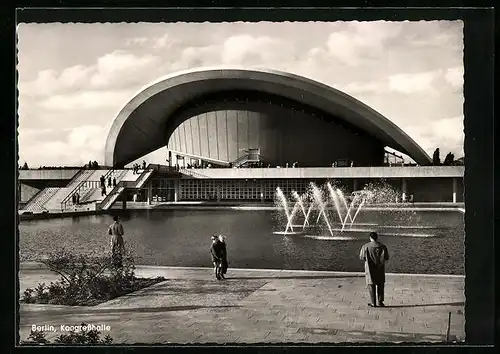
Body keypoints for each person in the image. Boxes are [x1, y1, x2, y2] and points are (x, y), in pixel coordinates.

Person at [359, 232, 389, 307]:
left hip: (369, 268)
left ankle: (373, 302)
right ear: (377, 237)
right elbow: (386, 257)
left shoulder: (365, 246)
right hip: (380, 268)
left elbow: (362, 257)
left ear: (370, 238)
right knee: (380, 284)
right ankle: (380, 301)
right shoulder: (383, 246)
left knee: (371, 285)